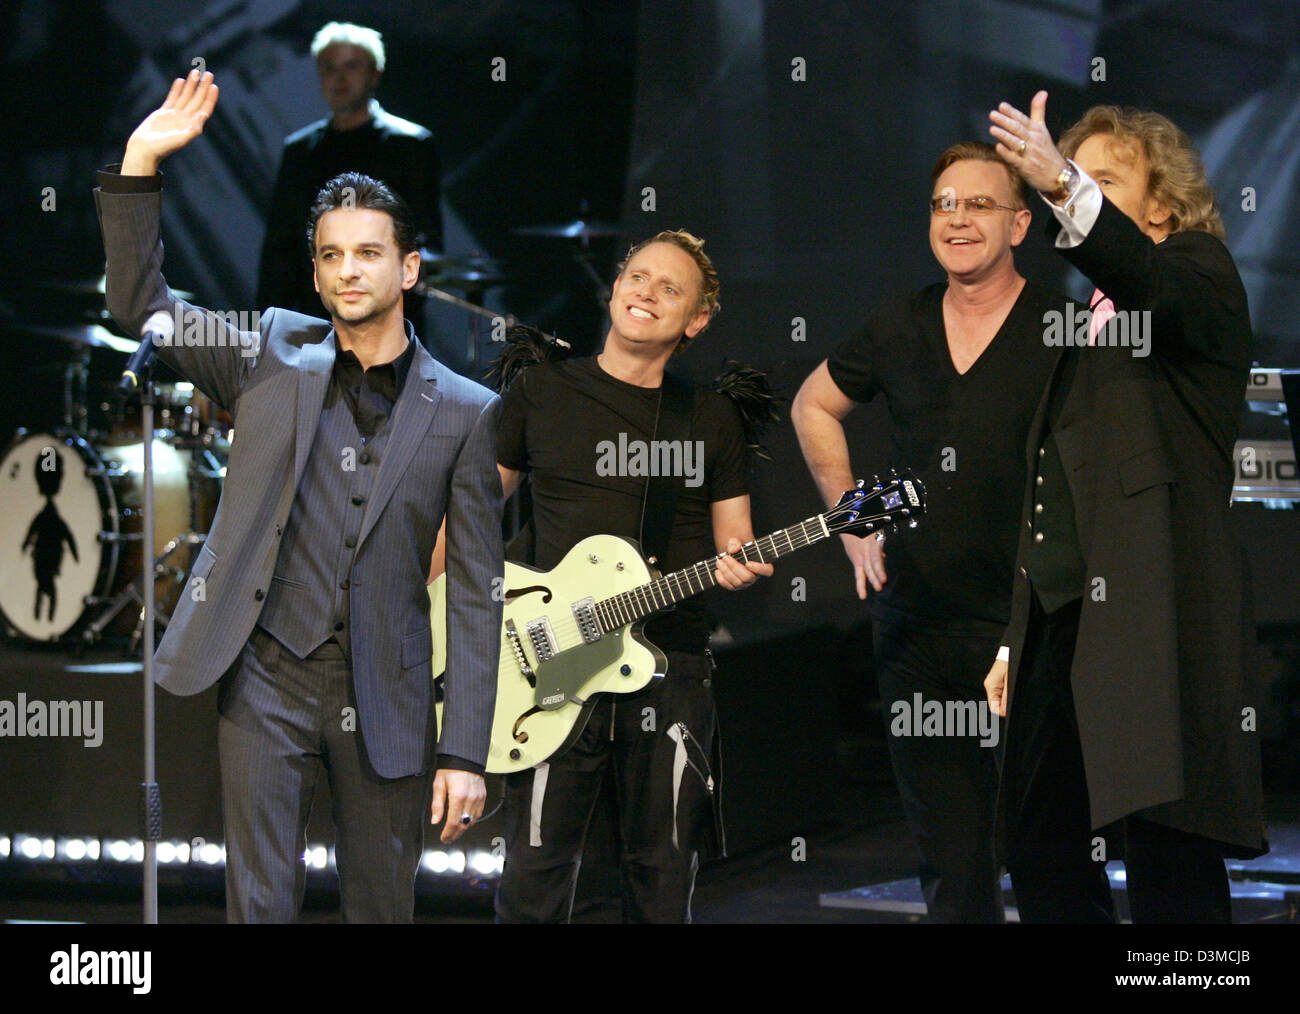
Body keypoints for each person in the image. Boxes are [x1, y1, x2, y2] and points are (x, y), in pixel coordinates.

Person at [94, 70, 503, 922]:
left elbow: (475, 592)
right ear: (314, 274)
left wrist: (466, 747)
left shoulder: (467, 411)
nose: (347, 272)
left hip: (386, 695)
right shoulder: (271, 349)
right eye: (330, 256)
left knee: (382, 908)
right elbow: (144, 307)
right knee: (259, 906)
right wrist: (140, 160)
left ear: (410, 265)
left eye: (367, 252)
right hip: (266, 679)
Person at [983, 92, 1267, 922]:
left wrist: (1061, 180)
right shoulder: (1086, 327)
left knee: (1168, 848)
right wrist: (1015, 637)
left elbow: (1145, 280)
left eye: (1106, 181)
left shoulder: (1198, 273)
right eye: (1076, 179)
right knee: (1038, 843)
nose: (1081, 191)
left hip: (1152, 616)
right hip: (1060, 625)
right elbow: (1054, 493)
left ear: (1165, 205)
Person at [791, 142, 1063, 922]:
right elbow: (814, 405)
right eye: (944, 203)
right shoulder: (899, 323)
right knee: (951, 864)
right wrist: (853, 519)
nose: (957, 218)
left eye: (978, 204)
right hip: (917, 630)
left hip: (1030, 630)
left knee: (1049, 854)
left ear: (1019, 224)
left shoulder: (1062, 329)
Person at [492, 230, 772, 923]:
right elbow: (465, 513)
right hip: (547, 660)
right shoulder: (543, 389)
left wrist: (741, 563)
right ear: (616, 286)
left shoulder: (710, 415)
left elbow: (732, 539)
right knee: (533, 880)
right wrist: (432, 622)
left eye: (668, 287)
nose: (646, 291)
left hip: (669, 667)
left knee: (661, 881)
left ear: (697, 320)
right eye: (637, 276)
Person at [257, 21, 443, 317]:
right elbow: (280, 248)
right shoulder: (299, 151)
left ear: (374, 74)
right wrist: (268, 325)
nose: (339, 78)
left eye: (351, 67)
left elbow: (424, 239)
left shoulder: (410, 144)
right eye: (329, 68)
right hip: (315, 321)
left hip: (389, 320)